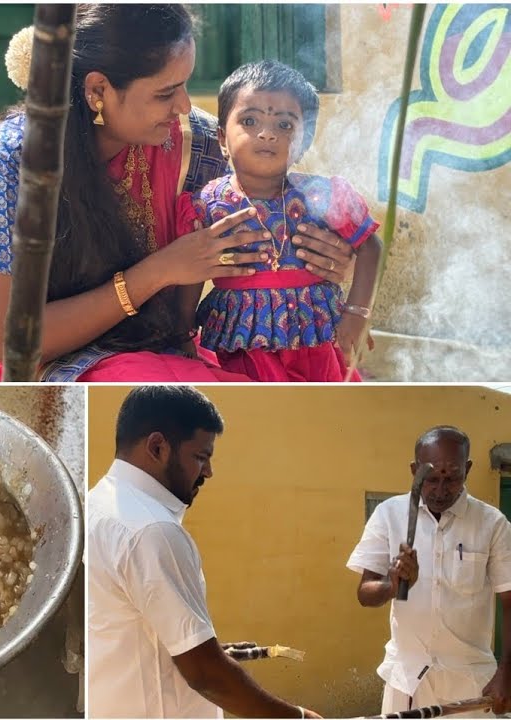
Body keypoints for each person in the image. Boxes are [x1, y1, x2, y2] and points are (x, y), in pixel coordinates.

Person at [0, 5, 356, 382]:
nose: (183, 105)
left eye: (185, 85)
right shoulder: (9, 164)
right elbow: (15, 344)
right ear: (98, 89)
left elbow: (276, 206)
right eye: (166, 93)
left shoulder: (195, 142)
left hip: (161, 341)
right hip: (46, 363)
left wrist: (323, 253)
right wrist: (159, 271)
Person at [87, 386, 320, 718]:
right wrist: (296, 717)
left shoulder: (98, 504)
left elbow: (122, 630)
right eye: (201, 457)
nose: (208, 472)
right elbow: (207, 675)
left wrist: (208, 651)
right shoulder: (153, 531)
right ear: (157, 447)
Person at [188, 60, 383, 381]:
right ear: (222, 138)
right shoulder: (207, 203)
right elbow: (193, 267)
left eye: (285, 125)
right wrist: (183, 331)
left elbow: (371, 246)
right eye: (250, 121)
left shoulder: (324, 195)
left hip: (318, 339)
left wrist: (357, 313)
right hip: (243, 344)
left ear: (304, 142)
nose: (267, 134)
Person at [347, 426, 511, 716]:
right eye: (431, 478)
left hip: (471, 681)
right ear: (415, 470)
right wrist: (392, 583)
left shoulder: (492, 523)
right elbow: (365, 593)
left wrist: (507, 673)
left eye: (453, 478)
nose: (440, 489)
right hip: (406, 680)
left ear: (468, 469)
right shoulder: (389, 514)